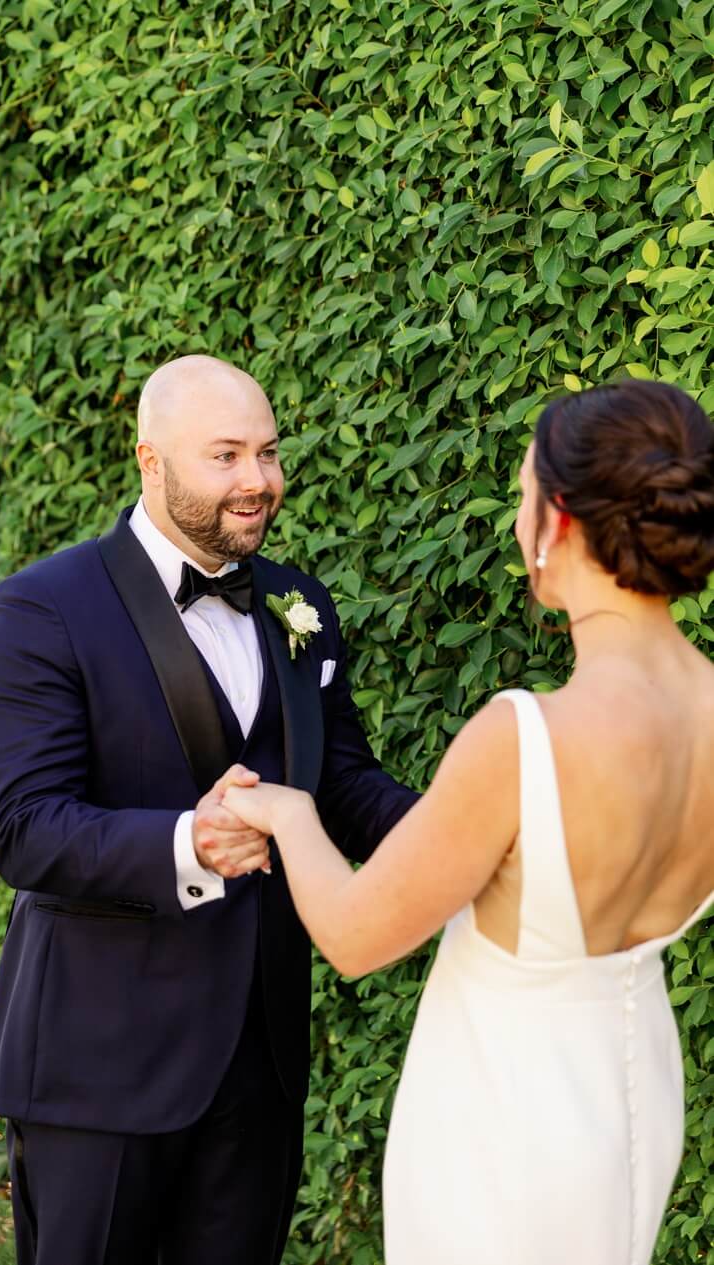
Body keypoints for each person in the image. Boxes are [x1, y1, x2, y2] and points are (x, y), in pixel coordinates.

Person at [222, 378, 714, 1264]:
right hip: (636, 1083)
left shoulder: (526, 733)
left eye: (523, 495)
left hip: (508, 1112)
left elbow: (355, 935)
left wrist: (290, 814)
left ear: (556, 522)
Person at [0, 354, 419, 1263]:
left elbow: (343, 781)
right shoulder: (40, 609)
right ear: (151, 461)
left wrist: (465, 828)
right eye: (225, 456)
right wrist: (189, 843)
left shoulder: (301, 605)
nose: (256, 481)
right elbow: (25, 829)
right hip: (98, 1069)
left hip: (260, 1063)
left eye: (268, 453)